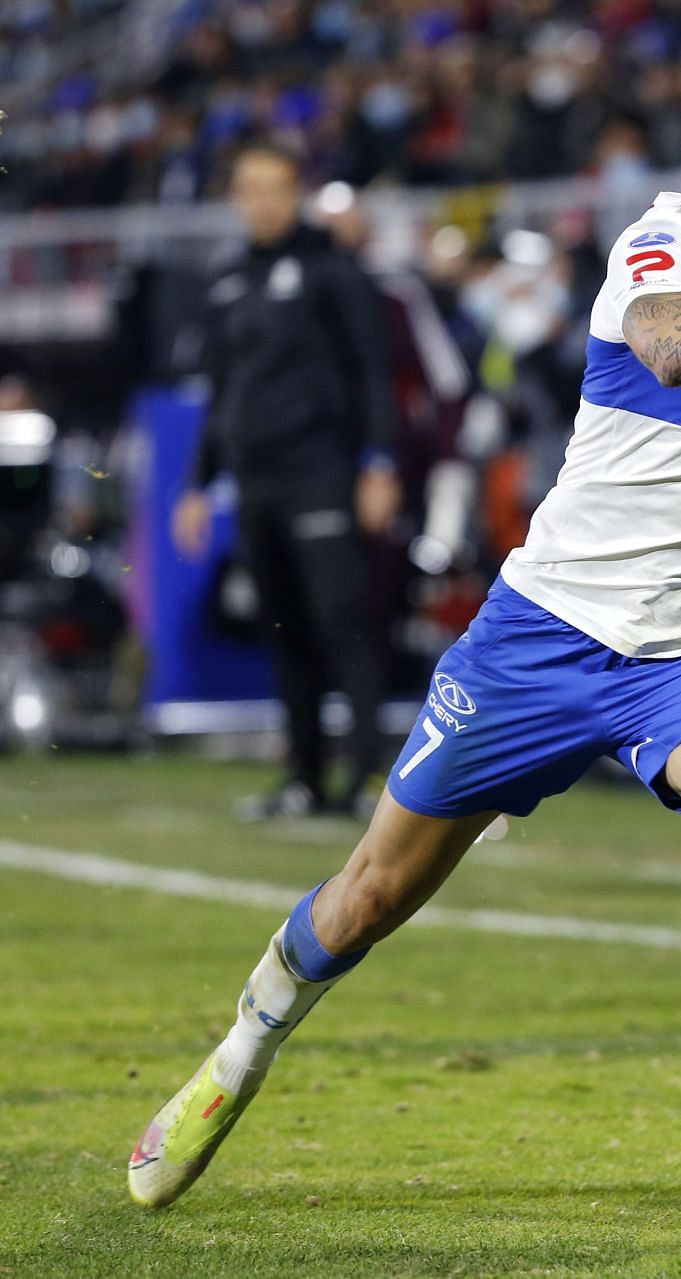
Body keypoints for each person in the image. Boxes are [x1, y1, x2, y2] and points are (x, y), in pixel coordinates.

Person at [130, 30, 681, 1216]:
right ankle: (238, 1054)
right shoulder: (658, 247)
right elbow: (680, 355)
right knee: (369, 894)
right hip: (542, 639)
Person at [172, 141, 403, 822]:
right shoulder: (227, 279)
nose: (264, 201)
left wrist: (379, 462)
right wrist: (196, 483)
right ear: (236, 197)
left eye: (275, 187)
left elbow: (371, 371)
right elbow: (222, 392)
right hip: (255, 479)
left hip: (322, 471)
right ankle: (304, 778)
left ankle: (367, 777)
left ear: (296, 191)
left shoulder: (332, 269)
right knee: (284, 629)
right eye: (250, 188)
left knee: (341, 619)